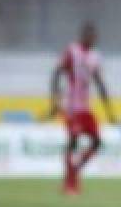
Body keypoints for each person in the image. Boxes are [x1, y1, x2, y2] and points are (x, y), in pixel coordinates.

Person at [48, 22, 116, 195]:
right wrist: (55, 101)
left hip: (85, 107)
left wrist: (109, 111)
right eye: (92, 36)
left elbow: (99, 82)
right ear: (84, 36)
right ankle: (70, 184)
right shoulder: (72, 51)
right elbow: (56, 73)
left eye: (95, 37)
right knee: (74, 141)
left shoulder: (94, 56)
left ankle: (74, 172)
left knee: (97, 142)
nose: (94, 40)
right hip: (72, 106)